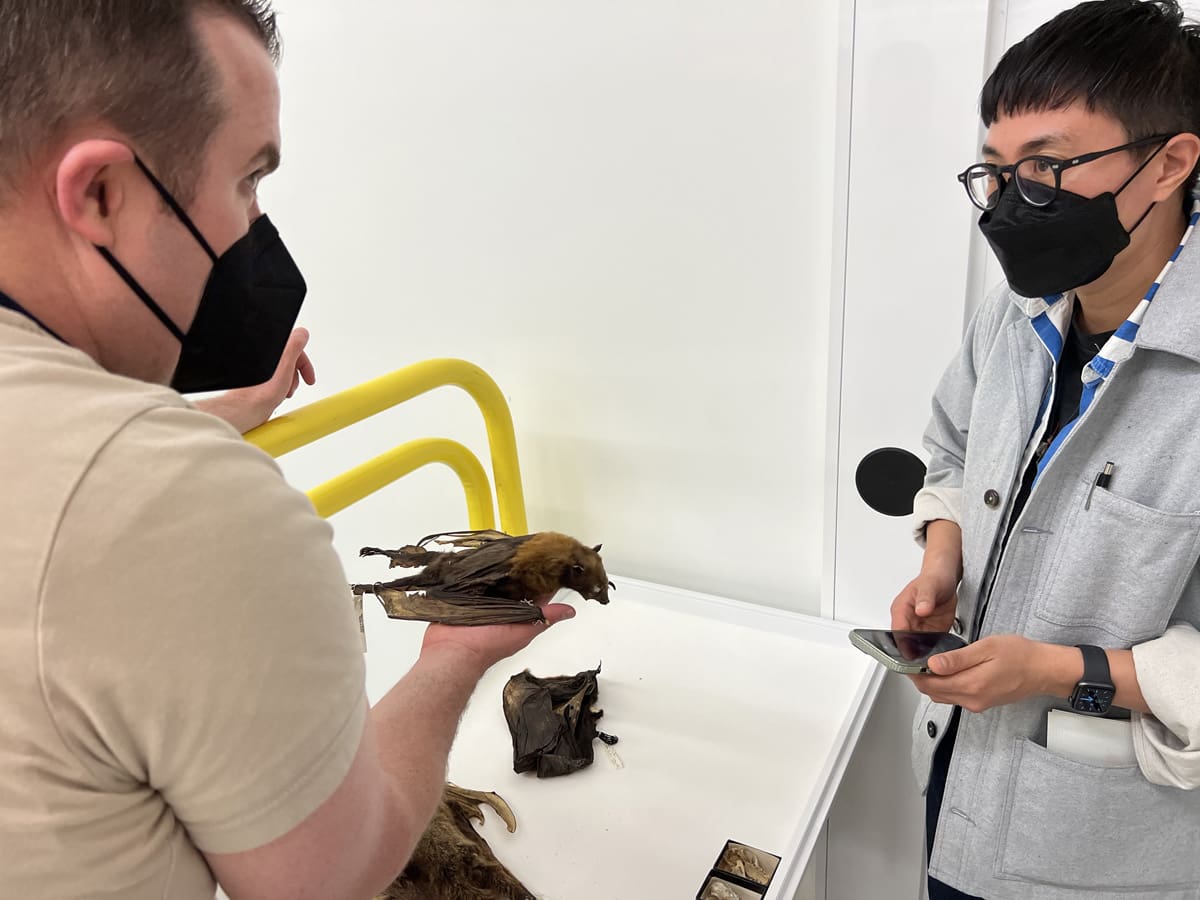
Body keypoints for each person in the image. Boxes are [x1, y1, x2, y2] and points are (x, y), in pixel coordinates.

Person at [0, 3, 574, 898]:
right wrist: (449, 663)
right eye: (246, 182)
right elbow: (324, 878)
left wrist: (215, 416)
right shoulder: (183, 504)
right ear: (101, 193)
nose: (256, 226)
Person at [893, 1, 1200, 897]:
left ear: (1171, 161)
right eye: (994, 172)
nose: (1009, 202)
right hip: (959, 775)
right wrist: (942, 557)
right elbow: (948, 446)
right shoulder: (1016, 317)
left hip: (1108, 842)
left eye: (1047, 166)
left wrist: (1058, 671)